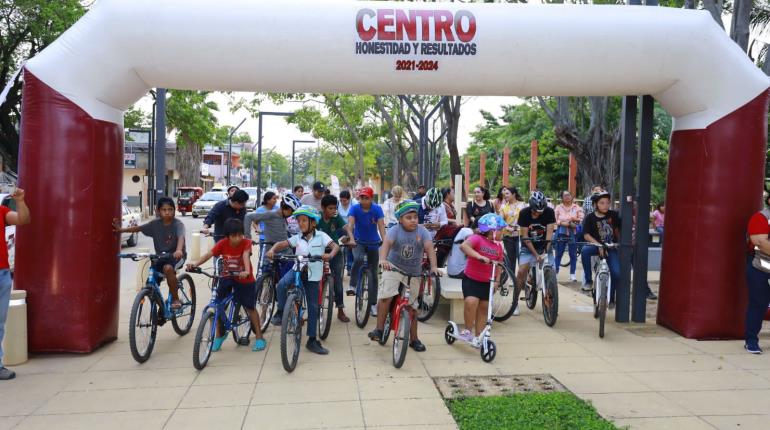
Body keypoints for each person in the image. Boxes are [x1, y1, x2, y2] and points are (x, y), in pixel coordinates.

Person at [267, 206, 339, 355]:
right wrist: (272, 250)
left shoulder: (322, 236)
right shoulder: (297, 237)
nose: (300, 223)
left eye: (304, 220)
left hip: (313, 273)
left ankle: (312, 340)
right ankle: (281, 311)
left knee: (313, 307)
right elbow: (282, 244)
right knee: (281, 285)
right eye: (299, 221)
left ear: (313, 223)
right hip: (297, 268)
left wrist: (329, 255)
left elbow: (335, 246)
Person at [368, 201, 438, 352]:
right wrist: (382, 260)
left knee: (413, 308)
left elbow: (430, 249)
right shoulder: (395, 230)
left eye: (415, 217)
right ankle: (379, 330)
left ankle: (414, 339)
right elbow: (386, 244)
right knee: (386, 297)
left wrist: (433, 267)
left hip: (414, 272)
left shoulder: (422, 232)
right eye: (409, 217)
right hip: (393, 268)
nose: (413, 220)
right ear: (400, 219)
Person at [187, 219, 266, 352]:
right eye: (234, 236)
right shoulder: (222, 243)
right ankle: (219, 335)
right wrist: (195, 264)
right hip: (226, 277)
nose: (237, 238)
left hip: (244, 279)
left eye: (240, 235)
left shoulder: (246, 243)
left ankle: (259, 336)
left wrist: (246, 271)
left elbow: (246, 255)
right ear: (227, 236)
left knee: (250, 307)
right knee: (218, 305)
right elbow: (208, 255)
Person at [113, 197, 186, 309]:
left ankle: (175, 299)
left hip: (175, 257)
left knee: (168, 269)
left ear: (174, 210)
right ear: (158, 211)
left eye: (170, 209)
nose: (167, 212)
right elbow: (138, 228)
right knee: (151, 283)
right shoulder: (154, 224)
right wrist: (121, 230)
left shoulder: (178, 224)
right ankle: (161, 310)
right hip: (160, 257)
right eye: (164, 209)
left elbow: (181, 237)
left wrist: (179, 250)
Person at [459, 213, 506, 343]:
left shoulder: (498, 246)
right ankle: (468, 330)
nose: (503, 232)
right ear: (492, 230)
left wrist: (497, 281)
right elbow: (464, 246)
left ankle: (479, 336)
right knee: (471, 302)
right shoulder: (477, 238)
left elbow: (499, 265)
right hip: (472, 279)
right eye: (501, 230)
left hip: (487, 282)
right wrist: (479, 256)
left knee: (484, 308)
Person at [0, 188, 30, 380]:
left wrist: (20, 201)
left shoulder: (1, 211)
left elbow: (23, 220)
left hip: (2, 273)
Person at [345, 186, 386, 317]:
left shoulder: (377, 209)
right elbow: (350, 225)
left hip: (374, 242)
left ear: (371, 198)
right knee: (358, 259)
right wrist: (351, 239)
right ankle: (352, 284)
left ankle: (373, 304)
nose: (363, 200)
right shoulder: (355, 208)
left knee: (374, 274)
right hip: (358, 241)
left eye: (366, 198)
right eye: (361, 197)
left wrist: (385, 242)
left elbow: (381, 226)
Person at [244, 193, 301, 276]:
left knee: (289, 277)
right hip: (270, 250)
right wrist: (248, 238)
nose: (292, 215)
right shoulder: (271, 214)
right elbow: (248, 217)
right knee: (264, 274)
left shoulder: (284, 218)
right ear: (287, 209)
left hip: (285, 251)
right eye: (292, 212)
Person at [581, 191, 621, 307]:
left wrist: (617, 243)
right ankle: (588, 281)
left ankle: (611, 297)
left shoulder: (613, 215)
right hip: (596, 246)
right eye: (602, 203)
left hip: (610, 247)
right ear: (596, 204)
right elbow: (586, 235)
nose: (605, 205)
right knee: (584, 251)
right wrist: (598, 245)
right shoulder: (590, 218)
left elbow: (619, 230)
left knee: (617, 273)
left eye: (607, 203)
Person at [515, 191, 556, 299]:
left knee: (552, 272)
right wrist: (536, 255)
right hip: (528, 246)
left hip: (544, 245)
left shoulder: (549, 212)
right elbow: (525, 237)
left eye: (541, 211)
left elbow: (550, 233)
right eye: (536, 211)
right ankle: (515, 302)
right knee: (521, 271)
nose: (538, 214)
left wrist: (545, 252)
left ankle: (550, 302)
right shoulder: (524, 213)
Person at [744, 189, 770, 354]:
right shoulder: (761, 217)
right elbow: (761, 242)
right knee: (758, 305)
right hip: (761, 268)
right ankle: (751, 340)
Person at [317, 195, 350, 322]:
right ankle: (307, 309)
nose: (333, 211)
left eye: (334, 208)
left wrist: (350, 237)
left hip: (335, 251)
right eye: (330, 208)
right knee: (312, 280)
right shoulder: (317, 217)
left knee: (338, 282)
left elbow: (346, 227)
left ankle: (340, 310)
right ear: (323, 208)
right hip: (318, 251)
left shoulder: (336, 216)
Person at [554, 191, 584, 282]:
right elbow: (555, 220)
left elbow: (581, 219)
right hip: (561, 232)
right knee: (559, 253)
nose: (567, 197)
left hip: (573, 233)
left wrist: (573, 219)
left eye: (569, 195)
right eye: (565, 195)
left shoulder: (577, 207)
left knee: (573, 254)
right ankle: (555, 272)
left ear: (572, 196)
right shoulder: (558, 207)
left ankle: (572, 274)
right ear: (562, 198)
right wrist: (563, 223)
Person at [499, 186, 526, 279]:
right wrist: (507, 227)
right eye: (504, 194)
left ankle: (522, 280)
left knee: (522, 258)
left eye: (507, 193)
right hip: (508, 236)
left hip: (521, 235)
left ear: (514, 194)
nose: (505, 195)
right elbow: (500, 221)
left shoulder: (523, 205)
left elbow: (527, 219)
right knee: (511, 259)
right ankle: (512, 279)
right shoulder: (503, 207)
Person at [338, 189, 357, 274]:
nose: (343, 202)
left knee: (350, 248)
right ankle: (340, 265)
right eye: (341, 200)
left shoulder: (354, 204)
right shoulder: (338, 204)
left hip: (352, 228)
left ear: (349, 199)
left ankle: (350, 267)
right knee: (339, 246)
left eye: (344, 200)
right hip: (341, 228)